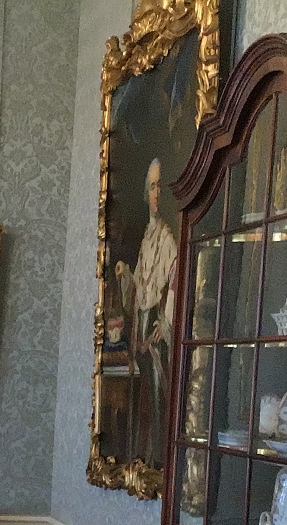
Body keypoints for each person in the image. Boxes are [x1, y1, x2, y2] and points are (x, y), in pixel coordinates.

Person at [113, 157, 177, 468]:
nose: (157, 193)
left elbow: (175, 282)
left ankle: (160, 461)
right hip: (142, 326)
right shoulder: (147, 238)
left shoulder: (168, 237)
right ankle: (146, 457)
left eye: (160, 186)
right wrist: (126, 275)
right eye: (152, 187)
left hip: (156, 328)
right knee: (144, 398)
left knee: (159, 397)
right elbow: (138, 288)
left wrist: (165, 322)